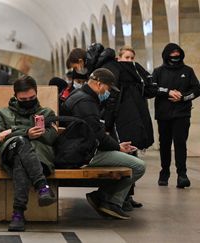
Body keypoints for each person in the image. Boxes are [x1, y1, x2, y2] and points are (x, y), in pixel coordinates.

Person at [61, 68, 146, 220]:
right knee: (138, 166)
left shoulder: (81, 96)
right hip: (83, 155)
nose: (108, 92)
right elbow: (97, 135)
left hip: (78, 149)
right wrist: (117, 147)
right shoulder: (86, 102)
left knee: (128, 158)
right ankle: (109, 201)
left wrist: (116, 146)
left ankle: (102, 196)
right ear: (99, 84)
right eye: (108, 88)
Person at [0, 76, 58, 231]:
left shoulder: (46, 113)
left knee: (21, 163)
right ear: (16, 97)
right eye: (24, 99)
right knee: (21, 141)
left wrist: (11, 131)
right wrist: (25, 133)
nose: (28, 100)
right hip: (11, 153)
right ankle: (42, 186)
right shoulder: (2, 113)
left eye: (32, 97)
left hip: (39, 159)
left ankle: (18, 213)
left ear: (37, 93)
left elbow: (50, 138)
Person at [153, 43, 200, 188]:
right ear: (166, 55)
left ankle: (182, 174)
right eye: (172, 53)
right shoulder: (158, 71)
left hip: (182, 114)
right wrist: (167, 92)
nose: (175, 56)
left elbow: (197, 89)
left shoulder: (188, 70)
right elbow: (152, 88)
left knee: (180, 144)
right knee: (165, 144)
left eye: (177, 53)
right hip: (164, 114)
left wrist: (183, 97)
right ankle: (165, 172)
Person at [115, 46, 156, 210]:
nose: (130, 61)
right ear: (119, 59)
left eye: (132, 58)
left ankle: (128, 195)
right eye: (126, 58)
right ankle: (121, 197)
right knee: (125, 161)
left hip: (137, 119)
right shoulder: (118, 74)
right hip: (123, 121)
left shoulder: (137, 77)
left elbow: (150, 89)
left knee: (133, 158)